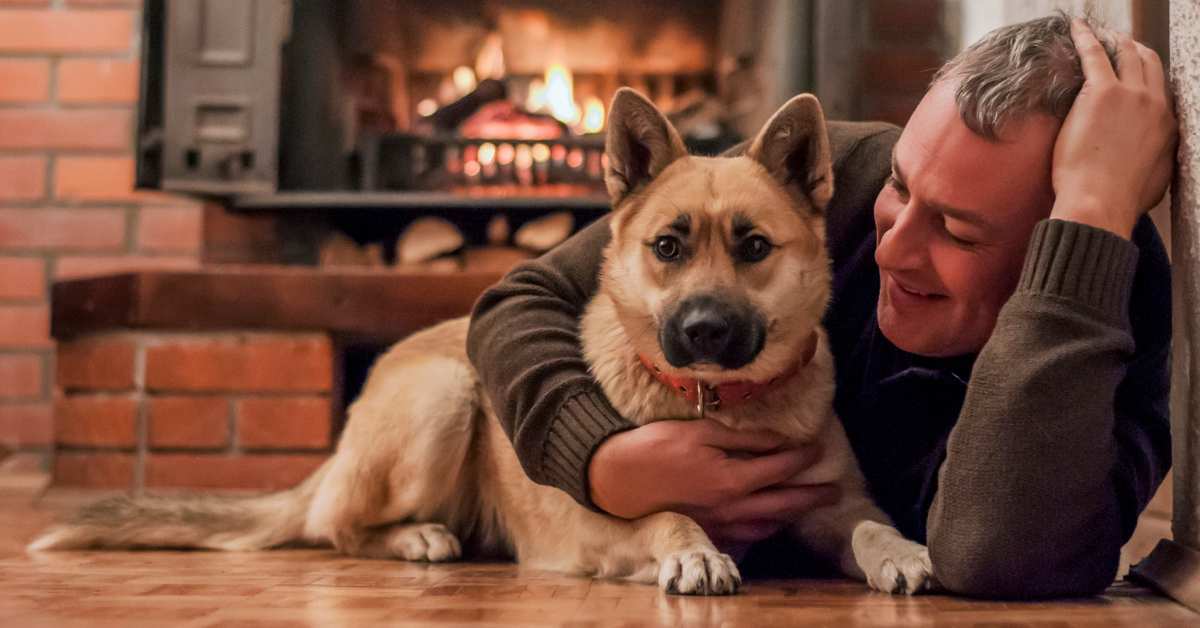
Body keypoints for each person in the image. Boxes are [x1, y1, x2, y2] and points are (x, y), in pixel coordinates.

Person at [466, 15, 1178, 599]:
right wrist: (602, 462)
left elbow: (999, 555)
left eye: (957, 230)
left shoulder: (1111, 325)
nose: (893, 248)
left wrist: (1089, 215)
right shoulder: (831, 176)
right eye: (902, 187)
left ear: (1046, 253)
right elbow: (515, 304)